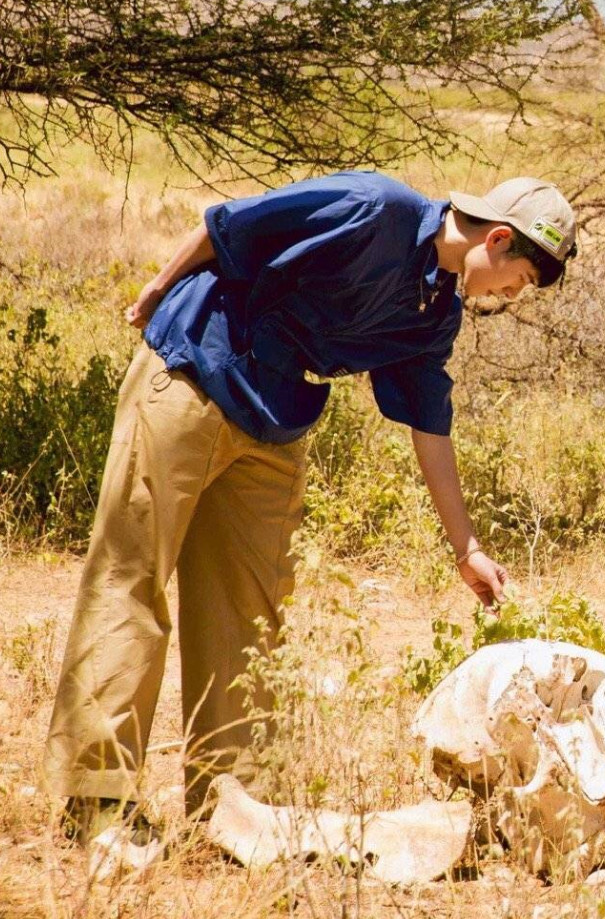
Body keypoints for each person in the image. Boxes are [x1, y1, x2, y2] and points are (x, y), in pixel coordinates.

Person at [41, 170, 576, 861]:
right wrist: (152, 293)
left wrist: (465, 546)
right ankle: (100, 803)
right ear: (497, 238)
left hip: (273, 421)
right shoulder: (374, 209)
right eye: (516, 281)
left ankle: (231, 808)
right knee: (132, 578)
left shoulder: (436, 312)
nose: (507, 298)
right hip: (193, 371)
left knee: (251, 610)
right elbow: (225, 225)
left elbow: (429, 425)